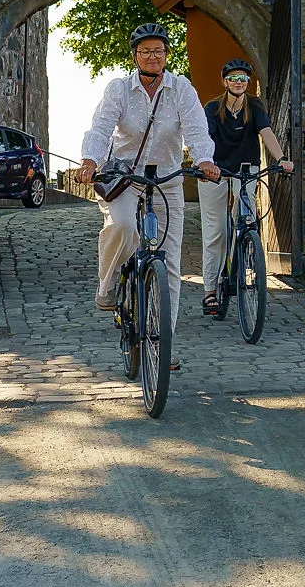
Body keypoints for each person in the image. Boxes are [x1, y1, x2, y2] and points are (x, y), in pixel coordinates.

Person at [73, 22, 221, 369]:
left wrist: (204, 159)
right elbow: (102, 126)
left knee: (169, 262)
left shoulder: (181, 88)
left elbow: (197, 126)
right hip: (126, 178)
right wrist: (91, 159)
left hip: (166, 180)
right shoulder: (119, 89)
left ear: (167, 55)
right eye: (145, 51)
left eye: (159, 50)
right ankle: (108, 285)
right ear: (135, 55)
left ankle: (161, 342)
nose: (152, 56)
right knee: (123, 227)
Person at [198, 58, 294, 316]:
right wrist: (205, 165)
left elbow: (266, 132)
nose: (238, 83)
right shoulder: (212, 108)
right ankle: (210, 290)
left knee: (246, 216)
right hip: (214, 171)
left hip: (245, 169)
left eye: (243, 79)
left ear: (248, 83)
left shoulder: (255, 105)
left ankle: (244, 255)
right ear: (225, 81)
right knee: (216, 229)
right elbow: (204, 139)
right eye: (233, 78)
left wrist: (282, 159)